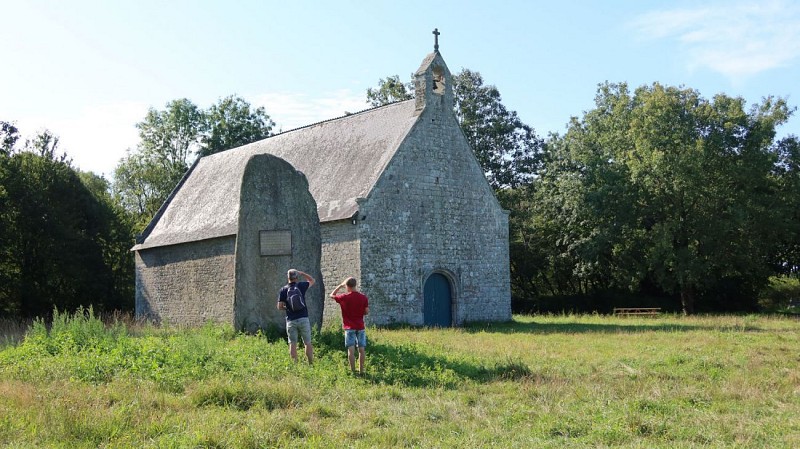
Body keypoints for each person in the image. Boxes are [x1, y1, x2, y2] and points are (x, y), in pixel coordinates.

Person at [329, 277, 369, 374]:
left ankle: (353, 371)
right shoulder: (363, 297)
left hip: (349, 327)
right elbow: (366, 312)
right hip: (360, 326)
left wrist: (340, 285)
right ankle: (361, 371)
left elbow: (332, 295)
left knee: (351, 350)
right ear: (355, 285)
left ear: (347, 286)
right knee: (361, 349)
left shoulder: (344, 297)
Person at [277, 268, 315, 364]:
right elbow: (312, 280)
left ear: (288, 278)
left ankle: (295, 365)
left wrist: (288, 308)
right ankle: (311, 363)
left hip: (291, 320)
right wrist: (302, 273)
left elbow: (279, 307)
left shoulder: (283, 290)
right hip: (303, 318)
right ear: (296, 277)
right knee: (307, 342)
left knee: (292, 344)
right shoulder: (301, 286)